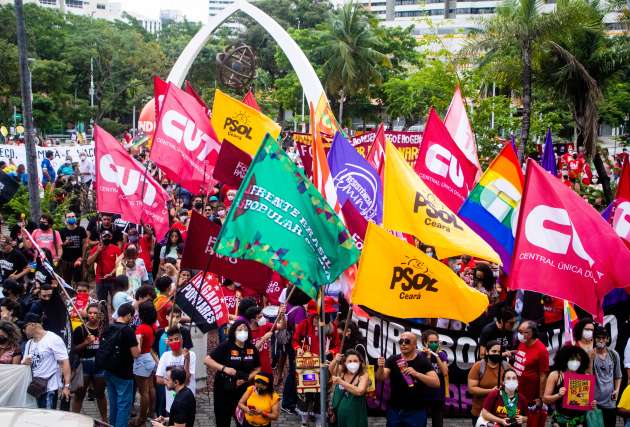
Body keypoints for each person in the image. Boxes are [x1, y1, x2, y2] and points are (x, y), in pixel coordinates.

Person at [376, 331, 440, 427]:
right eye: (401, 341)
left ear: (415, 344)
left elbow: (436, 383)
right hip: (395, 411)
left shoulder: (423, 361)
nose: (403, 344)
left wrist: (417, 374)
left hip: (416, 412)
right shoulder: (393, 359)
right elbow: (380, 378)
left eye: (407, 341)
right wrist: (380, 367)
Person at [205, 319, 261, 427]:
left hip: (243, 391)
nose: (243, 331)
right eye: (240, 329)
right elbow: (207, 360)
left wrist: (247, 378)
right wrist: (224, 368)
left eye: (245, 329)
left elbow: (258, 368)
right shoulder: (226, 346)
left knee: (243, 421)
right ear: (234, 332)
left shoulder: (251, 348)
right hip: (224, 389)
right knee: (223, 420)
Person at [99, 303, 140, 427]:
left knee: (113, 403)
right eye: (132, 316)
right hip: (124, 373)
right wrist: (138, 341)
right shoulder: (128, 330)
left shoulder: (108, 328)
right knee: (124, 404)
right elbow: (136, 354)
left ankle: (112, 424)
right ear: (128, 315)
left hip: (109, 370)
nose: (132, 319)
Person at [21, 312, 72, 409]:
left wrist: (66, 386)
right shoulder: (29, 343)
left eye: (24, 327)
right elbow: (24, 364)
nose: (23, 331)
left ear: (32, 325)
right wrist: (24, 363)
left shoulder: (53, 339)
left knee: (47, 417)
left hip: (49, 389)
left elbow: (64, 362)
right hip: (33, 389)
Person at [71, 303, 107, 421]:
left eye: (95, 313)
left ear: (100, 315)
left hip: (100, 366)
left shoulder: (104, 329)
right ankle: (74, 420)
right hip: (84, 365)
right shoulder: (80, 329)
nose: (92, 315)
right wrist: (86, 343)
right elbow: (74, 350)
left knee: (100, 394)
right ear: (86, 314)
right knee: (79, 395)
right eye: (90, 313)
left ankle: (104, 421)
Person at [543, 344, 593, 426]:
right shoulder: (556, 375)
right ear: (565, 359)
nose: (575, 362)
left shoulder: (585, 377)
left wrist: (591, 403)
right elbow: (545, 399)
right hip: (560, 421)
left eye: (578, 360)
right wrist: (558, 395)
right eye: (572, 359)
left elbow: (587, 402)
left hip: (579, 422)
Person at [468, 340, 512, 425]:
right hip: (480, 413)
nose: (496, 354)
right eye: (494, 351)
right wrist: (491, 391)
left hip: (500, 414)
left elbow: (515, 385)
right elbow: (472, 389)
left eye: (499, 352)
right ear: (487, 352)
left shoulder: (506, 366)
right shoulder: (478, 366)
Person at [155, 326, 196, 417]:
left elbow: (186, 381)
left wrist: (187, 360)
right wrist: (171, 383)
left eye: (176, 339)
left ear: (181, 340)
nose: (174, 342)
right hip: (170, 404)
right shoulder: (165, 356)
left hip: (186, 402)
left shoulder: (191, 355)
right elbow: (158, 379)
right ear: (168, 342)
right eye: (171, 340)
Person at [132, 301, 158, 426]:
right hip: (150, 358)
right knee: (151, 387)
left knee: (143, 392)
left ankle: (141, 418)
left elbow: (137, 351)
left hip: (142, 360)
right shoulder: (153, 326)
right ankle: (152, 412)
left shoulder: (141, 328)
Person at [328, 349, 369, 427]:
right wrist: (335, 360)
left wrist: (341, 382)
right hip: (339, 417)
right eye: (349, 361)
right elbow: (331, 370)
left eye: (355, 361)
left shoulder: (363, 375)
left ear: (360, 362)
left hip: (356, 417)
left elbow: (360, 391)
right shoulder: (341, 372)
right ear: (345, 363)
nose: (352, 363)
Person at [513, 321, 549, 406]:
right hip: (516, 389)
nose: (520, 334)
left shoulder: (541, 350)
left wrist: (541, 398)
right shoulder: (522, 343)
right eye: (519, 331)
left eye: (524, 332)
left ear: (532, 333)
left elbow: (543, 376)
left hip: (530, 394)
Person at [592, 326, 622, 427]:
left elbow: (618, 376)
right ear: (594, 339)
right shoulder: (591, 354)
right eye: (598, 338)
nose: (601, 340)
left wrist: (617, 390)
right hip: (595, 403)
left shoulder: (614, 355)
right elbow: (587, 377)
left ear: (608, 339)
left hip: (610, 403)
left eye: (604, 338)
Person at [419, 329, 449, 427]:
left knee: (438, 422)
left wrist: (436, 355)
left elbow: (445, 372)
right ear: (425, 342)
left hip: (438, 394)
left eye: (436, 342)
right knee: (420, 422)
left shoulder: (442, 354)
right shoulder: (420, 355)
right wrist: (428, 356)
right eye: (431, 342)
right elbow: (425, 372)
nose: (434, 344)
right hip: (424, 394)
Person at [87, 230, 123, 303]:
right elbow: (89, 262)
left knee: (115, 301)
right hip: (100, 280)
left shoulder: (116, 249)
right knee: (102, 302)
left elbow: (120, 264)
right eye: (104, 236)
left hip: (113, 280)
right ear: (101, 237)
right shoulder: (96, 248)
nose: (106, 238)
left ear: (111, 237)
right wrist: (97, 251)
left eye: (108, 236)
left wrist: (112, 273)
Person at [58, 211, 87, 284]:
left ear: (76, 218)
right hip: (66, 261)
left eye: (73, 216)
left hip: (78, 260)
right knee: (66, 282)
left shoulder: (81, 229)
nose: (71, 218)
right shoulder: (62, 231)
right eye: (69, 217)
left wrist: (82, 257)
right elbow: (59, 246)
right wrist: (65, 243)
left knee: (78, 281)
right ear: (66, 219)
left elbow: (84, 244)